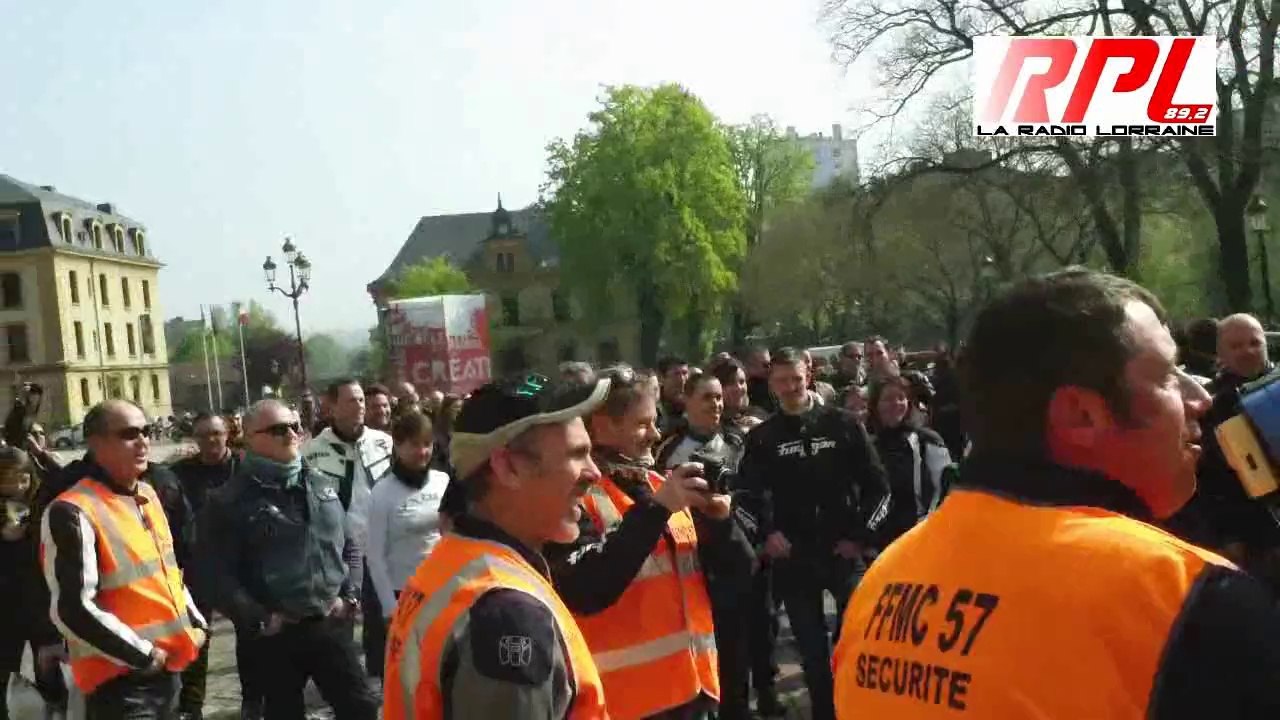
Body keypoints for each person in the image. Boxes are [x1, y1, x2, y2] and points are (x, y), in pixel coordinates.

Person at [831, 269, 1280, 717]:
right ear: (1080, 415)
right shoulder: (1187, 599)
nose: (1199, 397)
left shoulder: (881, 585)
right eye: (1166, 375)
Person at [382, 375, 611, 719]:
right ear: (507, 467)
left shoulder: (455, 561)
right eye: (578, 454)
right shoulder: (506, 614)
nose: (594, 473)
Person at [547, 367, 751, 719]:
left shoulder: (661, 485)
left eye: (655, 421)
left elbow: (740, 575)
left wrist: (721, 524)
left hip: (697, 692)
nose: (655, 434)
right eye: (642, 424)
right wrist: (657, 511)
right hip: (627, 704)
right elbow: (586, 590)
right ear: (602, 425)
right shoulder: (573, 500)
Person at [201, 400, 378, 720]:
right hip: (273, 636)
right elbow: (216, 575)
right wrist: (259, 616)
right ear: (250, 438)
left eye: (295, 427)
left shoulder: (320, 483)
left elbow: (349, 545)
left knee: (361, 708)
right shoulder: (228, 500)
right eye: (278, 429)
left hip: (329, 623)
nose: (291, 435)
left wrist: (350, 594)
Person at [739, 347, 890, 720]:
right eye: (781, 381)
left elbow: (879, 488)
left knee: (858, 642)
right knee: (811, 653)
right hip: (795, 559)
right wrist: (766, 535)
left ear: (809, 374)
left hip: (844, 553)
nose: (790, 388)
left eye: (796, 378)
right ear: (771, 382)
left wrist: (861, 536)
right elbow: (743, 499)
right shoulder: (762, 437)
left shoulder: (843, 424)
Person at [41, 400, 207, 719]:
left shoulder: (147, 495)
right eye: (129, 434)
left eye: (145, 431)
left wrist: (196, 624)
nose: (143, 441)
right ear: (96, 442)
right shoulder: (72, 510)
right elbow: (72, 608)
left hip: (166, 673)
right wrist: (144, 656)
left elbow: (167, 572)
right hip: (120, 684)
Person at [302, 378, 393, 672]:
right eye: (351, 401)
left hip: (382, 546)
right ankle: (344, 680)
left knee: (383, 618)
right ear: (332, 408)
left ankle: (381, 680)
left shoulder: (384, 442)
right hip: (339, 550)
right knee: (341, 619)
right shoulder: (313, 452)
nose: (360, 407)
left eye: (361, 400)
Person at [364, 411, 450, 679]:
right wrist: (391, 608)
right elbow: (375, 556)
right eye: (414, 444)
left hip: (443, 588)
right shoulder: (381, 493)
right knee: (411, 671)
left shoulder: (443, 481)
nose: (422, 451)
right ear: (397, 445)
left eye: (427, 444)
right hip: (405, 595)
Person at [167, 413, 241, 720]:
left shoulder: (246, 468)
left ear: (227, 434)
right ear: (195, 440)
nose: (211, 440)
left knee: (254, 637)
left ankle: (254, 700)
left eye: (215, 433)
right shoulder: (179, 473)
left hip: (240, 566)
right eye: (203, 435)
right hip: (196, 566)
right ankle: (191, 707)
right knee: (196, 639)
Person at [866, 375, 952, 549]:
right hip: (879, 545)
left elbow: (945, 488)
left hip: (921, 537)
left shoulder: (927, 440)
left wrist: (926, 527)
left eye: (901, 398)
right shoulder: (868, 445)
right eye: (888, 399)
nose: (895, 404)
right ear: (875, 406)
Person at [656, 356, 690, 434]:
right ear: (661, 378)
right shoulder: (651, 408)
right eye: (676, 374)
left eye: (685, 373)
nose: (682, 379)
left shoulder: (696, 405)